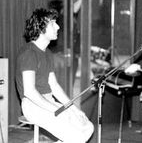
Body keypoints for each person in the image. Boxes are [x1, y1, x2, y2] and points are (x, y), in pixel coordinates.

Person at [15, 8, 94, 143]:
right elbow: (29, 92)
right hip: (32, 105)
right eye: (53, 23)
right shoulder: (29, 53)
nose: (58, 27)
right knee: (76, 136)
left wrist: (73, 108)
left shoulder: (48, 53)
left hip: (48, 101)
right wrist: (57, 109)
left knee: (87, 127)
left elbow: (54, 86)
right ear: (41, 28)